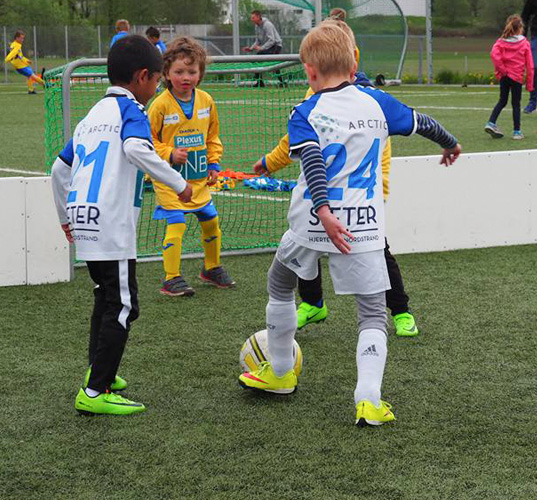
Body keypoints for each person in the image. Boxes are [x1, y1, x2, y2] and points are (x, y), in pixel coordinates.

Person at [238, 23, 461, 427]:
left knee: (280, 284)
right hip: (364, 225)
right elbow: (423, 122)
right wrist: (450, 143)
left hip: (310, 221)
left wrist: (323, 209)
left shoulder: (305, 111)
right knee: (373, 313)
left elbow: (312, 162)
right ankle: (368, 400)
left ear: (309, 71)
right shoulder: (378, 103)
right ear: (354, 61)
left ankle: (281, 372)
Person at [50, 35, 192, 415]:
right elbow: (134, 149)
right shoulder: (132, 111)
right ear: (142, 77)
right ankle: (95, 393)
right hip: (111, 223)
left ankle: (100, 373)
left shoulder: (92, 115)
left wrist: (66, 217)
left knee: (105, 296)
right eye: (158, 79)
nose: (158, 86)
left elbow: (58, 170)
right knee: (123, 306)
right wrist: (178, 183)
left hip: (83, 218)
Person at [253, 19, 422, 337]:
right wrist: (270, 163)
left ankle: (400, 310)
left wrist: (379, 187)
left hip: (361, 193)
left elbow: (382, 150)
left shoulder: (370, 97)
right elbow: (294, 143)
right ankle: (313, 303)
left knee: (377, 251)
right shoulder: (313, 91)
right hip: (321, 191)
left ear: (351, 55)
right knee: (306, 243)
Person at [147, 36, 234, 297]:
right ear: (166, 73)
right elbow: (146, 141)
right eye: (179, 71)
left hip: (197, 179)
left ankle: (211, 267)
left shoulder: (206, 100)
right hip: (169, 179)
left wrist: (213, 162)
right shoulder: (160, 104)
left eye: (192, 71)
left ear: (200, 73)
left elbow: (212, 137)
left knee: (210, 220)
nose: (186, 77)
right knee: (176, 223)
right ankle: (171, 278)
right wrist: (169, 153)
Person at [486, 15, 534, 141]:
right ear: (520, 28)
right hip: (516, 77)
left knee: (502, 100)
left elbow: (494, 56)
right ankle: (517, 132)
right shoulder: (524, 43)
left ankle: (491, 122)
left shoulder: (501, 42)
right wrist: (530, 84)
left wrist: (502, 70)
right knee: (516, 104)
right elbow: (530, 65)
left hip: (504, 76)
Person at [4, 30, 46, 95]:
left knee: (29, 76)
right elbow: (13, 53)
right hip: (20, 66)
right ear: (17, 38)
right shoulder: (17, 46)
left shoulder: (14, 44)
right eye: (21, 38)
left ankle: (31, 90)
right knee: (33, 76)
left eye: (23, 38)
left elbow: (19, 56)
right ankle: (45, 84)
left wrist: (26, 60)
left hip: (22, 65)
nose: (22, 40)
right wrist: (7, 59)